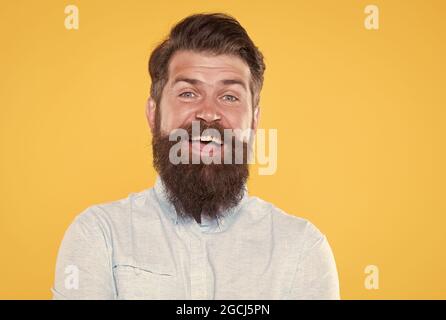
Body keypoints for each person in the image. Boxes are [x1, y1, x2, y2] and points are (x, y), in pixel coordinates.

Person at [52, 13, 340, 300]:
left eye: (229, 97)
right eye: (189, 93)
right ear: (154, 113)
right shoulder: (99, 236)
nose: (209, 113)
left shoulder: (303, 248)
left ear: (253, 122)